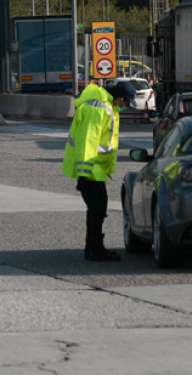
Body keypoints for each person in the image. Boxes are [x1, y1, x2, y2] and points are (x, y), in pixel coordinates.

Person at [62, 79, 138, 262]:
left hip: (94, 169)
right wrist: (83, 174)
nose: (125, 107)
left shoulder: (102, 104)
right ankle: (95, 249)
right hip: (90, 170)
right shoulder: (98, 108)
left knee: (97, 207)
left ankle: (93, 248)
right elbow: (88, 141)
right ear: (119, 98)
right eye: (126, 103)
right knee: (97, 208)